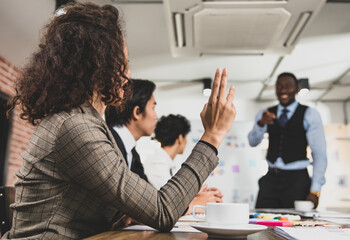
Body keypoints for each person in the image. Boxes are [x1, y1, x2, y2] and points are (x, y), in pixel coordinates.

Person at [4, 3, 236, 239]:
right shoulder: (76, 126)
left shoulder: (84, 121)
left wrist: (120, 214)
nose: (127, 75)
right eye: (124, 62)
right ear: (100, 65)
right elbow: (163, 211)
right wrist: (213, 136)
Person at [105, 82, 223, 215]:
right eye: (153, 108)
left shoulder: (132, 153)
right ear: (137, 112)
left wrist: (191, 197)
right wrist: (193, 203)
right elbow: (158, 206)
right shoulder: (110, 145)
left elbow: (152, 200)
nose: (156, 116)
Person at [248, 72, 327, 209]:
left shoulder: (310, 114)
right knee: (260, 221)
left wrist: (315, 190)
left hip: (297, 181)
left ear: (296, 88)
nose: (283, 90)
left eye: (288, 86)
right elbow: (252, 141)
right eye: (279, 86)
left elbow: (319, 154)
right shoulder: (265, 113)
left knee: (297, 224)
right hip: (271, 178)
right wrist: (261, 124)